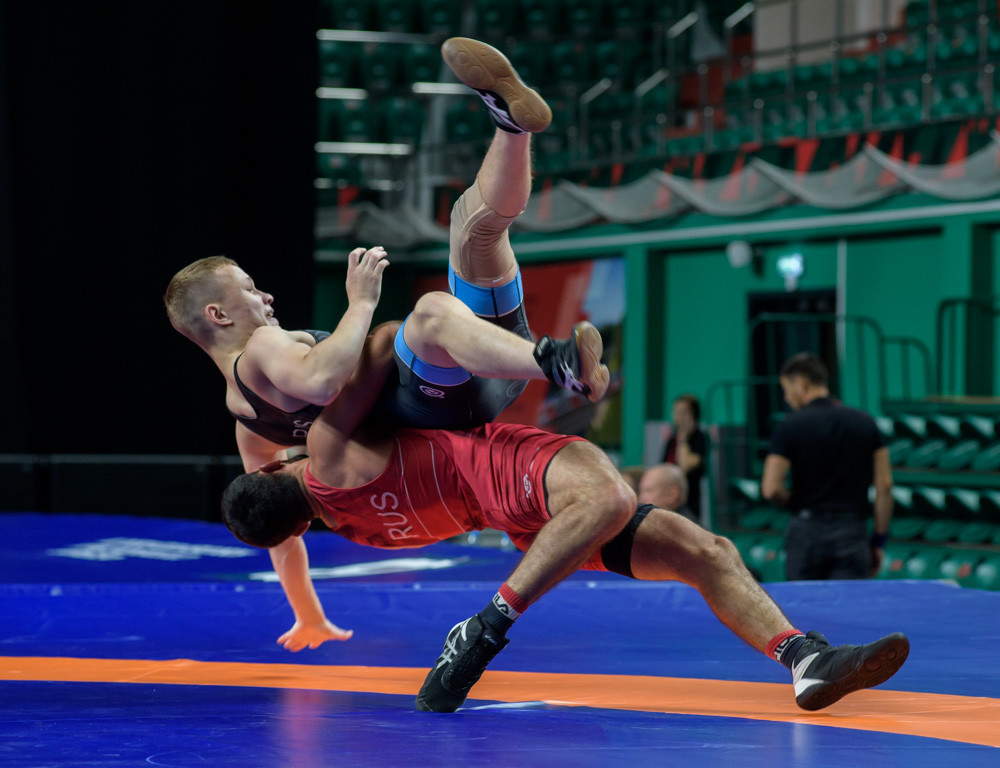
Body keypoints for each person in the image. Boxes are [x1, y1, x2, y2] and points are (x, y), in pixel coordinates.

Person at [220, 316, 910, 715]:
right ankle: (484, 625)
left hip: (520, 522)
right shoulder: (328, 451)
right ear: (278, 469)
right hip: (511, 472)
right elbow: (378, 345)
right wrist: (347, 318)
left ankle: (803, 658)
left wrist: (307, 611)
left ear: (297, 527)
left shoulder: (357, 528)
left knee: (705, 550)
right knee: (609, 495)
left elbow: (312, 518)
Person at [164, 35, 608, 651]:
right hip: (440, 389)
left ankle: (510, 126)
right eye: (247, 288)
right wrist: (361, 302)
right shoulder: (260, 349)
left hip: (472, 371)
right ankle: (556, 364)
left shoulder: (253, 430)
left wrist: (307, 614)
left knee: (475, 229)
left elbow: (278, 532)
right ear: (217, 314)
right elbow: (323, 380)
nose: (263, 295)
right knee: (427, 316)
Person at [761, 352, 893, 581]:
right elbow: (885, 485)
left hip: (806, 530)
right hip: (852, 529)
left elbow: (771, 488)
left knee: (803, 602)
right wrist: (879, 540)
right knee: (848, 603)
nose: (787, 398)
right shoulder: (865, 422)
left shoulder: (789, 426)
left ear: (801, 384)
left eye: (786, 389)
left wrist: (794, 502)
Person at [662, 394, 707, 520]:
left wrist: (683, 439)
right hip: (668, 499)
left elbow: (684, 467)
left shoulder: (700, 438)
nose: (678, 417)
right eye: (676, 412)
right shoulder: (671, 440)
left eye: (683, 413)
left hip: (688, 501)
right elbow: (663, 468)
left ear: (693, 415)